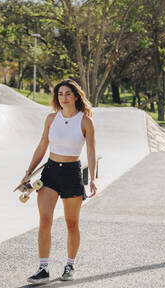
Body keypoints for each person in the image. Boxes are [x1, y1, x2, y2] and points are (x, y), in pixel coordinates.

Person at [25, 79, 97, 284]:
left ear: (76, 96)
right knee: (44, 221)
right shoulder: (51, 118)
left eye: (67, 93)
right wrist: (28, 172)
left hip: (72, 173)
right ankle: (43, 268)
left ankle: (69, 264)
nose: (63, 97)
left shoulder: (85, 121)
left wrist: (92, 178)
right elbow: (41, 147)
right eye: (60, 94)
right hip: (50, 172)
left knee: (71, 223)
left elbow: (91, 151)